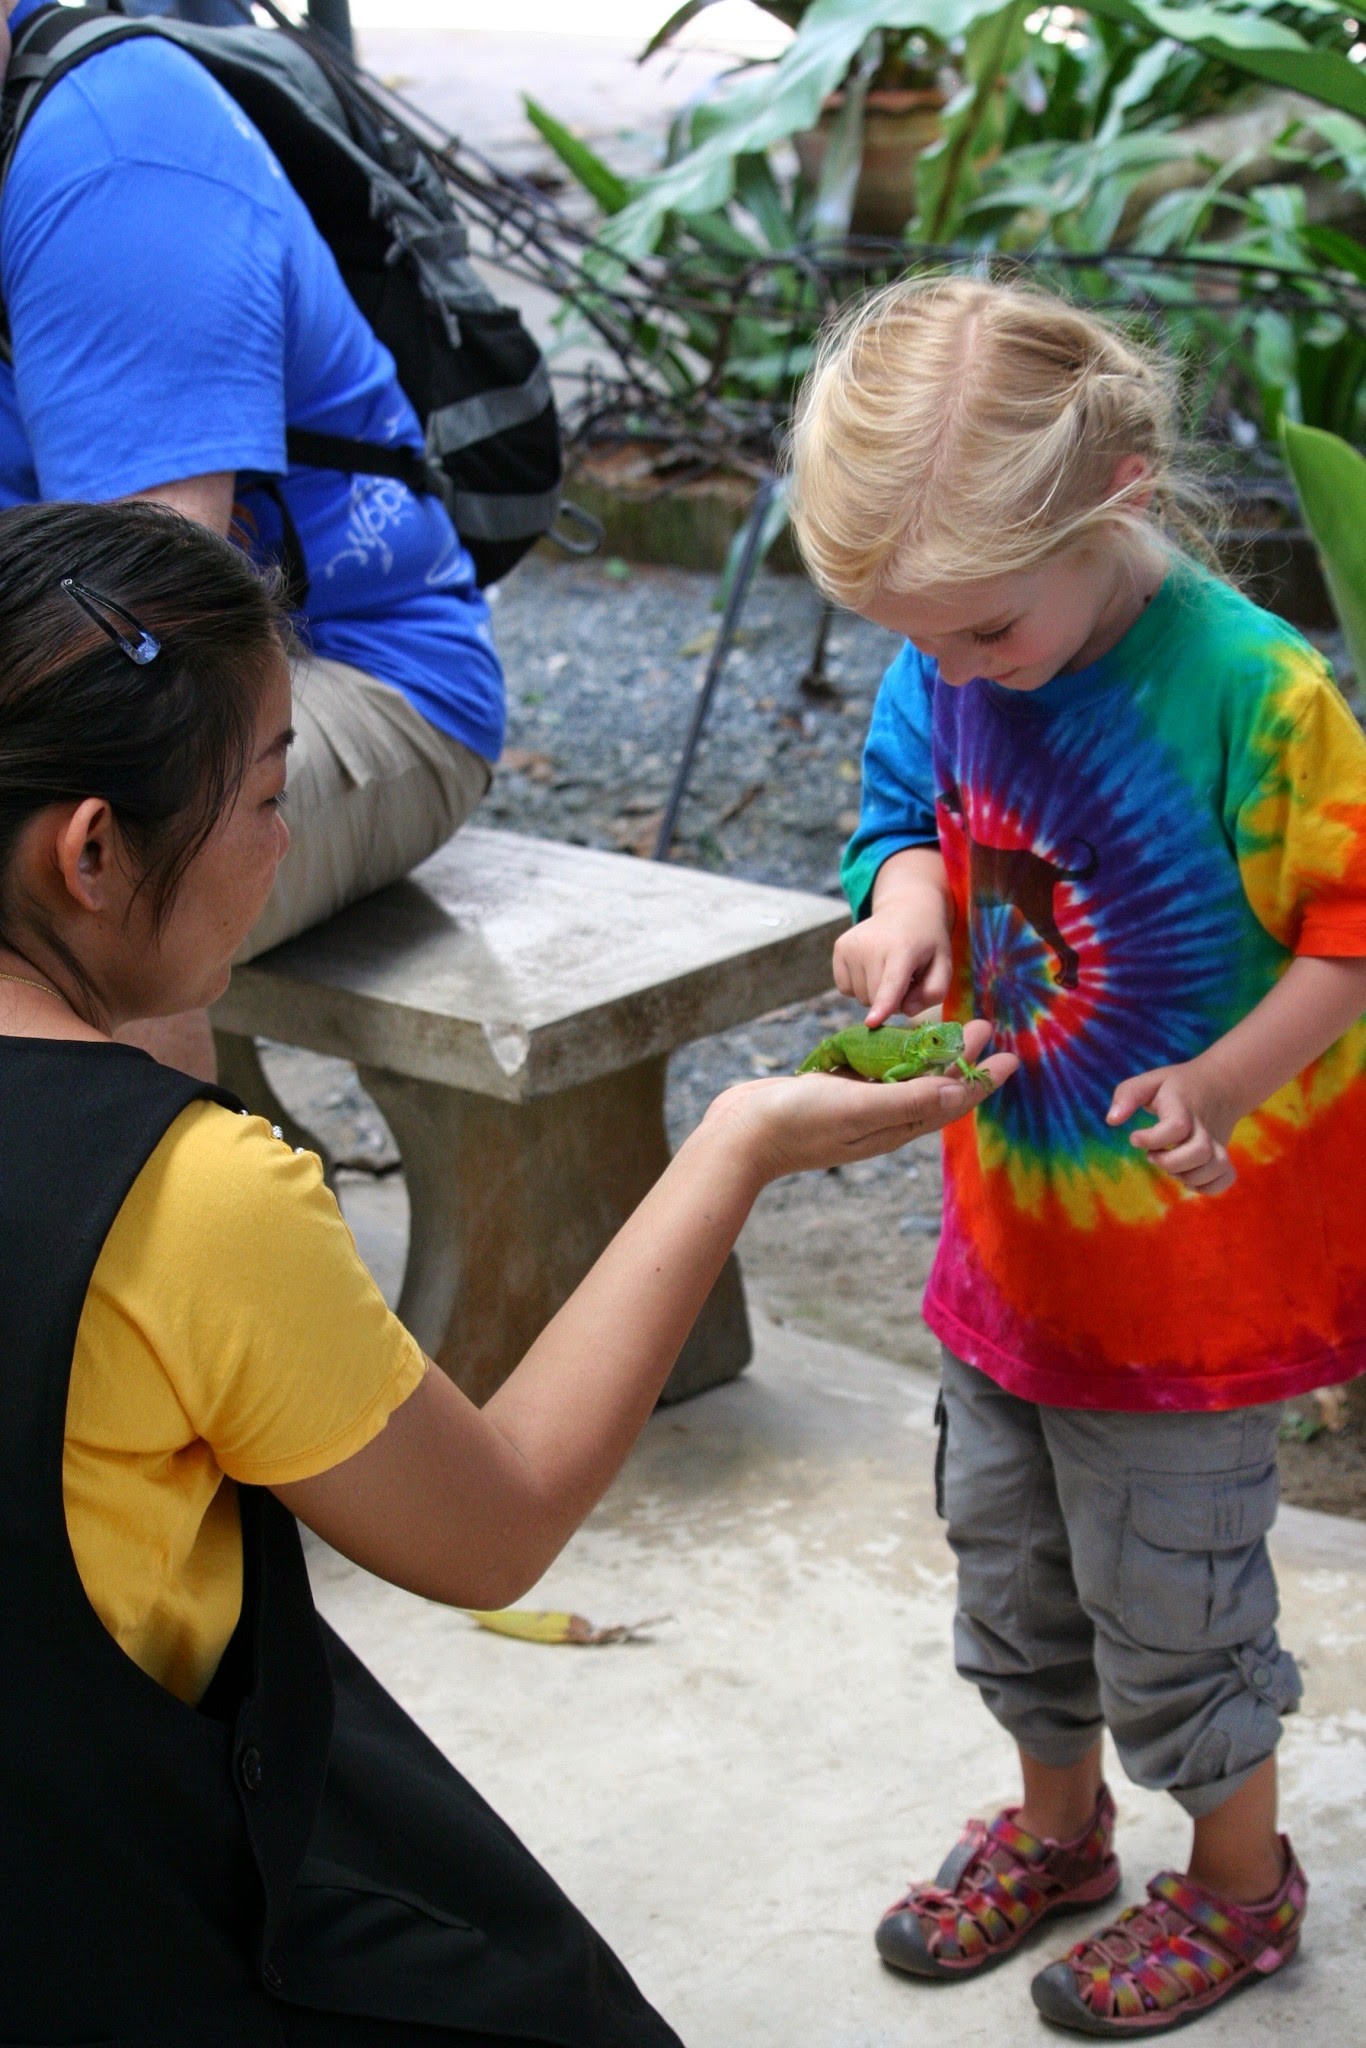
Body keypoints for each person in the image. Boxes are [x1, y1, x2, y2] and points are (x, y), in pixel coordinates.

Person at [0, 496, 1013, 2043]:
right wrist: (733, 1142)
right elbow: (495, 1525)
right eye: (272, 794)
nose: (285, 846)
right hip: (111, 1895)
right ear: (89, 850)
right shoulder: (191, 1205)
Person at [786, 274, 1366, 2036]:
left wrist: (1224, 1075)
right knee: (1013, 1578)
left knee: (1178, 1615)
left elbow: (1347, 928)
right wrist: (892, 920)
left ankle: (1241, 1885)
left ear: (1113, 493)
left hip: (1187, 1289)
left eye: (979, 636)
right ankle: (1060, 1836)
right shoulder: (951, 640)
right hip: (1012, 1253)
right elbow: (902, 817)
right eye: (925, 640)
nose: (951, 669)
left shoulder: (1255, 690)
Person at [0, 0, 501, 1081]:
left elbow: (149, 678)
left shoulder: (112, 163)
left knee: (82, 866)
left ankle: (174, 1230)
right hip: (67, 680)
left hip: (355, 680)